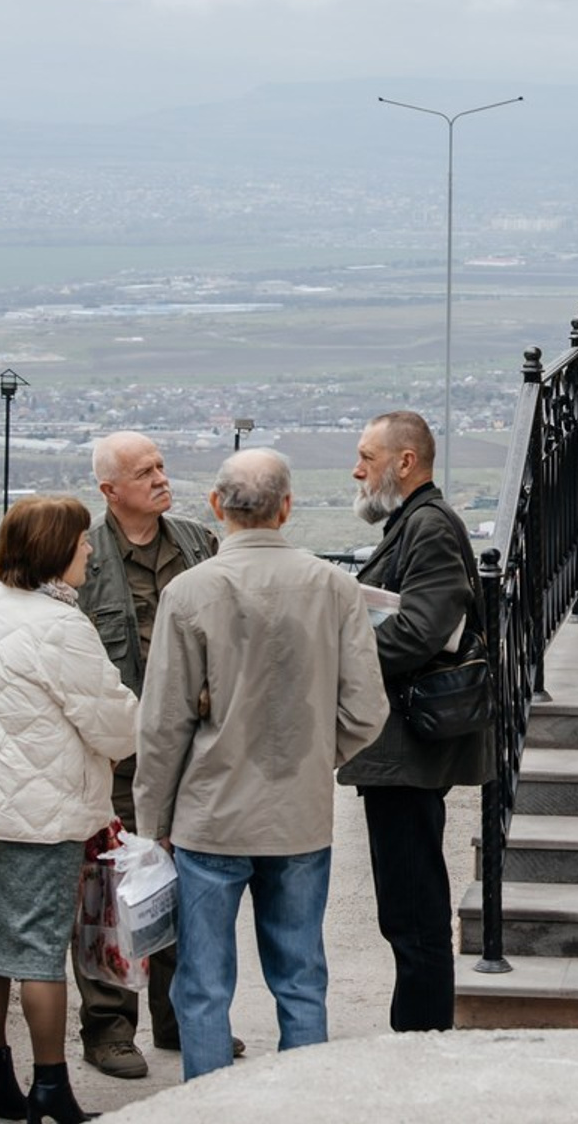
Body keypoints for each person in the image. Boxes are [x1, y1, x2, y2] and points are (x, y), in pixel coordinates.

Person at [134, 449, 388, 1081]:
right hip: (298, 816)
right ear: (288, 507)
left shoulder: (188, 592)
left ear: (217, 508)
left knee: (202, 985)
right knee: (301, 979)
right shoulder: (334, 586)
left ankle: (210, 1107)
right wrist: (315, 755)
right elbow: (366, 710)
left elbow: (163, 724)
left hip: (209, 815)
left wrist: (152, 820)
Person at [0, 496, 138, 1124]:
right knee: (37, 953)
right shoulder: (59, 625)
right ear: (57, 550)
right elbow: (113, 722)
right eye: (81, 542)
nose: (89, 551)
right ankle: (50, 1086)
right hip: (44, 810)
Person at [338, 411, 495, 1031]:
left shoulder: (427, 526)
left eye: (366, 457)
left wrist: (341, 650)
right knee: (407, 906)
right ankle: (419, 1035)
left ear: (404, 462)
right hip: (400, 749)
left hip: (408, 749)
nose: (357, 470)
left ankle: (420, 1042)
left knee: (413, 912)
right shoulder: (413, 523)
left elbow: (423, 630)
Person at [72, 431, 220, 1079]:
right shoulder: (84, 560)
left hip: (191, 753)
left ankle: (179, 1019)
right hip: (116, 761)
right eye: (145, 471)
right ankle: (108, 1028)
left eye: (162, 466)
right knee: (111, 894)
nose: (162, 478)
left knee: (186, 889)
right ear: (110, 490)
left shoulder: (197, 544)